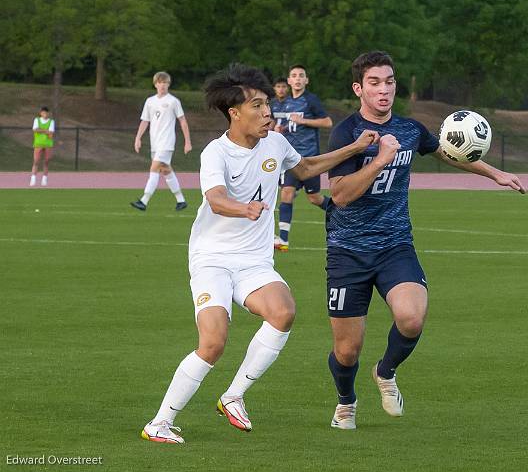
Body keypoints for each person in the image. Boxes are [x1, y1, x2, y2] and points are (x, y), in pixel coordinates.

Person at [140, 63, 378, 444]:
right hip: (212, 258)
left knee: (283, 312)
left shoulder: (275, 142)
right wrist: (244, 208)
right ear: (235, 113)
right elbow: (216, 200)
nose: (267, 113)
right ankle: (160, 422)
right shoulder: (216, 153)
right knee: (214, 342)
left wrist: (354, 147)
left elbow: (307, 168)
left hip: (253, 261)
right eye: (257, 106)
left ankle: (233, 396)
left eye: (267, 104)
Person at [324, 51, 526, 430]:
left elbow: (450, 152)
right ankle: (346, 402)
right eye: (374, 83)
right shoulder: (346, 133)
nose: (384, 90)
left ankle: (385, 372)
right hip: (347, 251)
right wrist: (380, 159)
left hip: (395, 244)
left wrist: (494, 172)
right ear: (358, 89)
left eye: (389, 81)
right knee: (347, 350)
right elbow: (340, 195)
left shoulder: (410, 129)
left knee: (412, 318)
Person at [273, 64, 333, 252]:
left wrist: (303, 120)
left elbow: (327, 122)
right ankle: (283, 240)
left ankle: (343, 212)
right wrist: (279, 129)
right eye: (294, 76)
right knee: (286, 193)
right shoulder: (287, 102)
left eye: (301, 76)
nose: (297, 78)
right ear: (289, 81)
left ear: (306, 80)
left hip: (309, 160)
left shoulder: (310, 101)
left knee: (314, 198)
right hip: (292, 159)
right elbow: (286, 126)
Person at [131, 71, 192, 212]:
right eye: (160, 82)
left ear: (168, 84)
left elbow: (182, 121)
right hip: (155, 143)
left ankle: (143, 201)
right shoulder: (150, 101)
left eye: (165, 82)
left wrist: (187, 141)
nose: (162, 85)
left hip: (167, 142)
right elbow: (145, 121)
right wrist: (138, 138)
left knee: (154, 168)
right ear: (155, 84)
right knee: (165, 170)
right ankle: (181, 200)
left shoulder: (173, 101)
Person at [30, 106, 54, 187]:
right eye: (43, 112)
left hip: (48, 144)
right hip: (38, 143)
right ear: (40, 113)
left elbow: (51, 132)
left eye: (46, 112)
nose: (45, 114)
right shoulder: (37, 120)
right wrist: (45, 131)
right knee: (36, 161)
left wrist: (42, 130)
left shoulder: (51, 121)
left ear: (48, 113)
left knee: (46, 161)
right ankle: (33, 179)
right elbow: (35, 129)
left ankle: (44, 179)